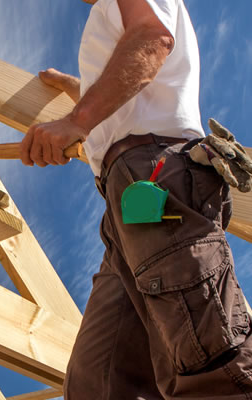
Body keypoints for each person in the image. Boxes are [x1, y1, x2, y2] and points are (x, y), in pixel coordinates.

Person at [21, 0, 252, 398]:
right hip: (126, 201)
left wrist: (76, 121)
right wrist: (77, 93)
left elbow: (153, 38)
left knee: (211, 366)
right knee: (97, 381)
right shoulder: (108, 18)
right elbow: (131, 95)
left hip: (154, 177)